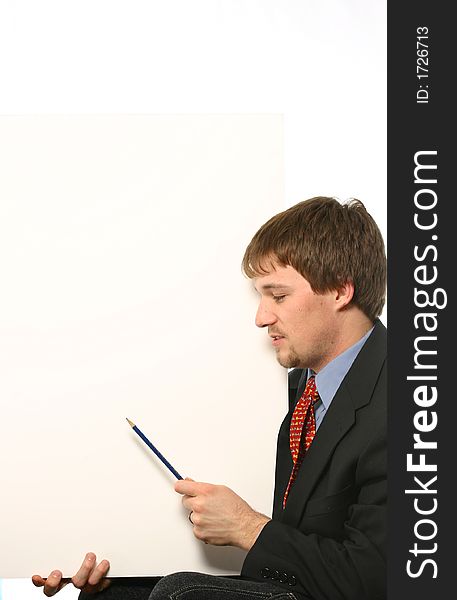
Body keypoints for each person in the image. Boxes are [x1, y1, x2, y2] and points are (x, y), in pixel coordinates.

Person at [32, 196, 387, 600]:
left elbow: (376, 577)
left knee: (181, 594)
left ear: (341, 290)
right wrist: (125, 563)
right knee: (114, 595)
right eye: (260, 297)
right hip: (296, 583)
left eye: (279, 296)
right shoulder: (294, 394)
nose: (261, 317)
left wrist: (246, 527)